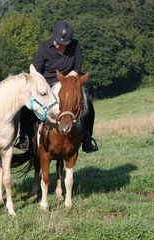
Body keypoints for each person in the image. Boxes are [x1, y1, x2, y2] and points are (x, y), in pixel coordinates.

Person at [14, 21, 98, 153]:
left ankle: (87, 139)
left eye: (63, 44)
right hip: (47, 84)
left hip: (68, 82)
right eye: (58, 42)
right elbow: (36, 71)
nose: (59, 46)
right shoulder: (44, 47)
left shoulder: (75, 45)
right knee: (27, 106)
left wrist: (66, 82)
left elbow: (77, 68)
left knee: (88, 102)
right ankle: (23, 136)